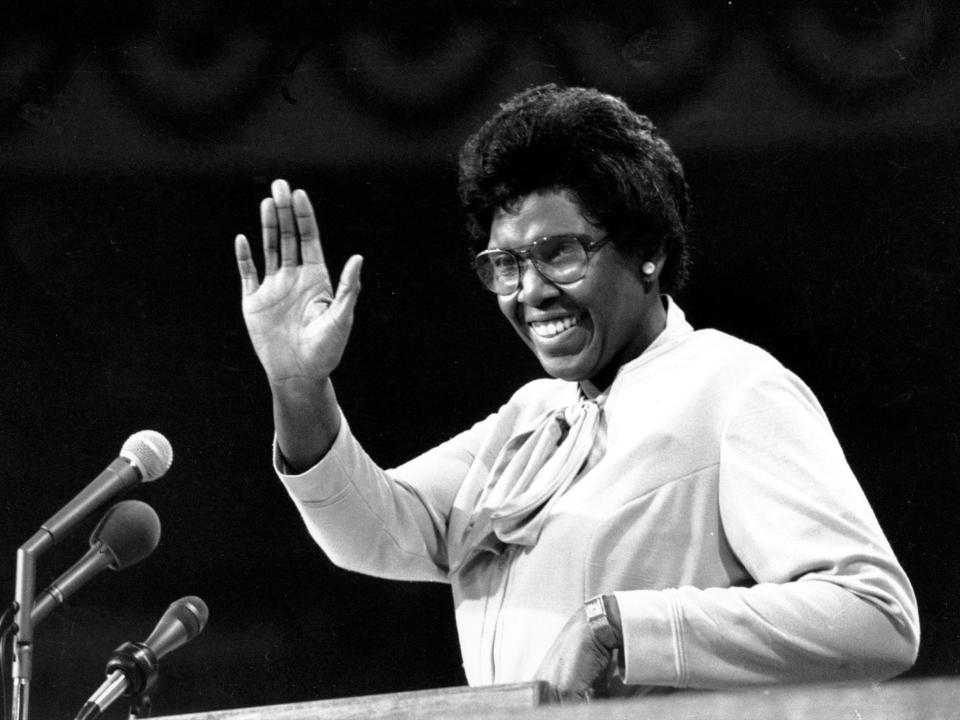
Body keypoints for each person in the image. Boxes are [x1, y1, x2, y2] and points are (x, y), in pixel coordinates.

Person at [233, 84, 919, 701]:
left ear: (647, 249)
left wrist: (625, 627)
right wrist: (298, 384)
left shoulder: (732, 387)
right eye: (507, 263)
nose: (531, 292)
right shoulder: (530, 417)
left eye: (560, 253)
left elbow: (875, 616)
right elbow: (372, 533)